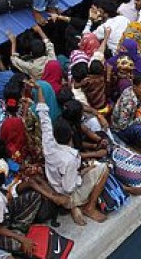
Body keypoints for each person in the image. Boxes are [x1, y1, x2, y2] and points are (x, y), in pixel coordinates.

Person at [34, 80, 108, 226]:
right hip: (67, 194)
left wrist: (39, 91)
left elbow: (44, 116)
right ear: (70, 137)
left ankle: (77, 208)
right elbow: (69, 187)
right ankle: (89, 207)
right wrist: (84, 171)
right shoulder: (69, 159)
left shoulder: (48, 143)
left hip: (55, 181)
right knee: (104, 169)